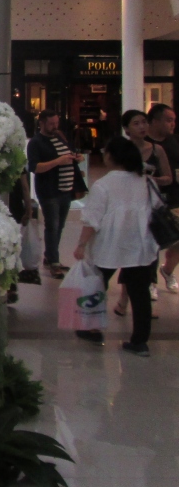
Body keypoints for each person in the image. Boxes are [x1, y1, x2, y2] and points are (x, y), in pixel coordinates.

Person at [73, 136, 163, 355]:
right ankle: (140, 342)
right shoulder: (146, 181)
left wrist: (81, 244)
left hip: (109, 244)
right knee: (140, 294)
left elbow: (92, 219)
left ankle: (92, 329)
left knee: (96, 285)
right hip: (140, 245)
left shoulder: (104, 185)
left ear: (111, 157)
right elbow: (157, 208)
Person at [112, 109, 173, 316]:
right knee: (129, 254)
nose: (142, 127)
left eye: (144, 122)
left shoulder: (157, 149)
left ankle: (143, 300)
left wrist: (151, 179)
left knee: (149, 255)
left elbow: (168, 178)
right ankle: (124, 298)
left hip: (150, 209)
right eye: (136, 123)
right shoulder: (122, 150)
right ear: (127, 128)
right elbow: (114, 178)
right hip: (127, 209)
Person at [28, 109, 82, 278]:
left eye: (56, 123)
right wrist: (58, 161)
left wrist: (75, 158)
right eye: (51, 124)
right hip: (49, 190)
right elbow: (35, 167)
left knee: (59, 225)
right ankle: (54, 261)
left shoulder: (60, 137)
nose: (55, 126)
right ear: (42, 123)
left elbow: (68, 153)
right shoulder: (36, 142)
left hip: (65, 188)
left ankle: (51, 256)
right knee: (52, 225)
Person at [148, 104, 179, 292]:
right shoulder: (144, 144)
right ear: (155, 121)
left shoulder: (174, 141)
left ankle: (167, 271)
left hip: (175, 196)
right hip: (150, 199)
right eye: (168, 120)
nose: (172, 124)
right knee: (152, 241)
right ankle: (150, 281)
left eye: (174, 120)